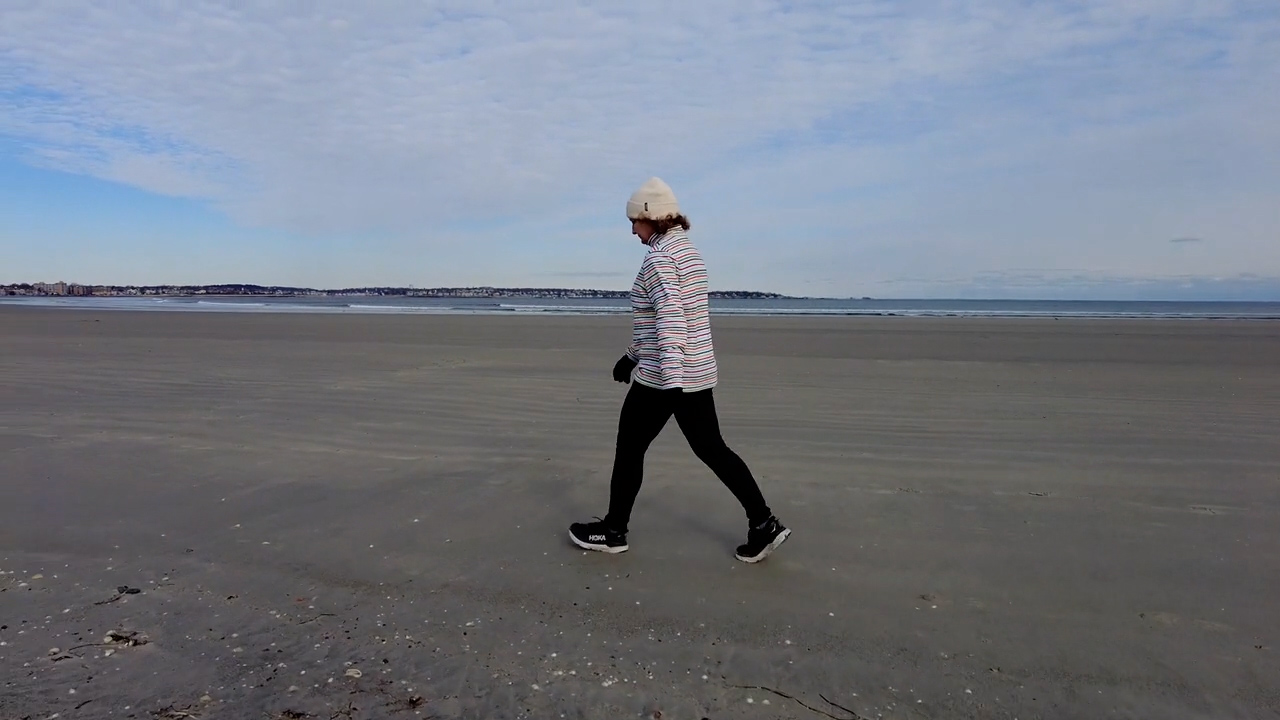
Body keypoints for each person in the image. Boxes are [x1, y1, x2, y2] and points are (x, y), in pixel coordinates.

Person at [569, 177, 790, 563]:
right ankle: (763, 524)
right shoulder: (688, 253)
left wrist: (669, 380)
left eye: (635, 220)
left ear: (653, 217)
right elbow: (661, 318)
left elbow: (670, 318)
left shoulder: (658, 260)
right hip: (696, 372)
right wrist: (632, 355)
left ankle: (614, 531)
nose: (632, 229)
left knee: (630, 448)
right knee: (713, 449)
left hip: (665, 378)